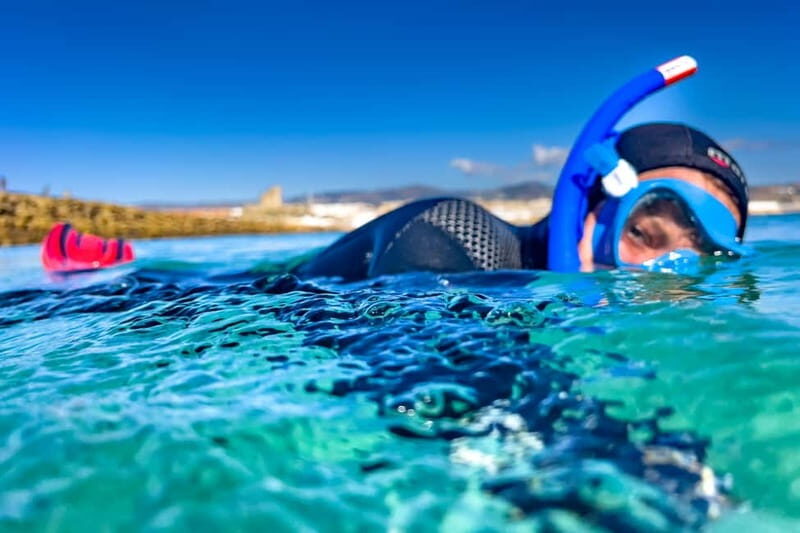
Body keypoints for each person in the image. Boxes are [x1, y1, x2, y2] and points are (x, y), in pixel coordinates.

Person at [295, 122, 748, 280]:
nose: (663, 278)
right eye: (643, 233)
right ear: (587, 201)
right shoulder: (451, 234)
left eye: (703, 261)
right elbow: (421, 366)